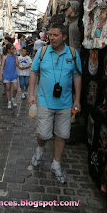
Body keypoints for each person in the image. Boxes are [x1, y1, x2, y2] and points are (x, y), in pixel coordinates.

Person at [28, 23, 82, 183]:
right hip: (44, 102)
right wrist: (31, 94)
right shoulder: (42, 52)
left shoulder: (73, 54)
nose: (51, 37)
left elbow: (77, 76)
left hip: (65, 104)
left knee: (62, 135)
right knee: (44, 134)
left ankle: (56, 164)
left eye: (55, 35)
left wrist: (77, 99)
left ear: (64, 37)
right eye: (50, 34)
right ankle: (39, 150)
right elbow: (33, 72)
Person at [0, 43, 19, 109]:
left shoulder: (14, 56)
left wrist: (16, 56)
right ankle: (9, 101)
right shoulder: (5, 56)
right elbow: (2, 66)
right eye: (12, 49)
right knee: (8, 89)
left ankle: (13, 98)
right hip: (6, 74)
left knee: (15, 88)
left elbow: (17, 64)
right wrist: (0, 75)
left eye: (14, 48)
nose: (13, 50)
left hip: (13, 74)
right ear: (8, 50)